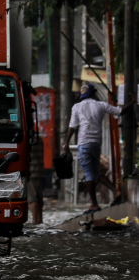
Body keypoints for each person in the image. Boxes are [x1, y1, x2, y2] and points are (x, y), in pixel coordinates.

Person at [62, 83, 134, 214]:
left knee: (89, 175)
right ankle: (116, 191)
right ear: (94, 93)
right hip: (96, 143)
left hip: (84, 144)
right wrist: (133, 101)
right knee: (95, 172)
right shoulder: (101, 105)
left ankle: (94, 204)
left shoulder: (77, 107)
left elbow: (72, 126)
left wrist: (66, 143)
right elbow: (121, 111)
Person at [29, 130, 45, 225]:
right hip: (40, 172)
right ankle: (40, 220)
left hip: (30, 173)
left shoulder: (28, 141)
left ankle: (34, 221)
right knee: (39, 198)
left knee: (32, 198)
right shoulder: (39, 139)